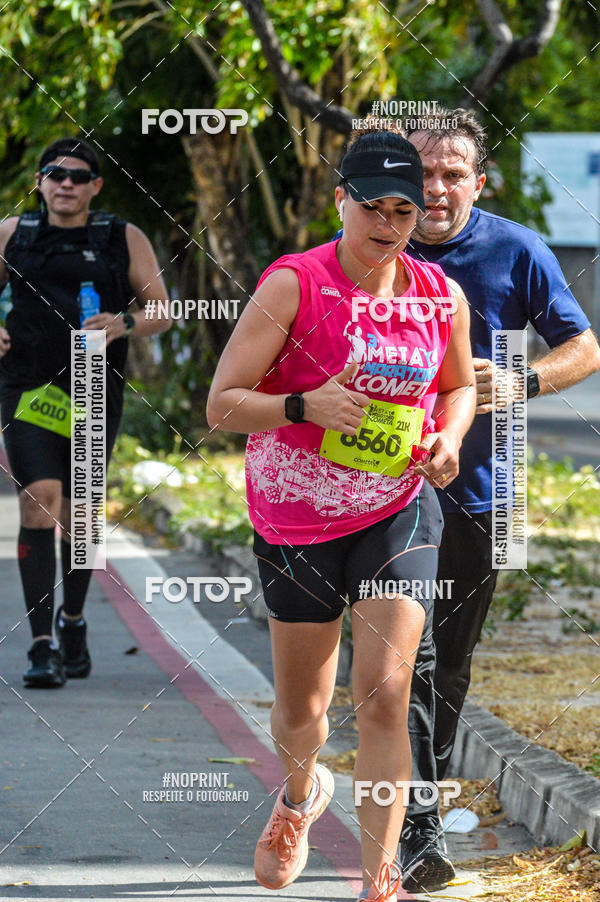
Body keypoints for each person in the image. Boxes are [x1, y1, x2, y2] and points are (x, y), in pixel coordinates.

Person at [207, 128, 476, 900]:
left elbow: (458, 385)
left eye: (405, 211)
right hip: (295, 518)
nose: (389, 226)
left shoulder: (438, 296)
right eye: (374, 209)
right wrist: (303, 403)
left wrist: (449, 437)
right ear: (340, 202)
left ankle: (380, 875)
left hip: (396, 509)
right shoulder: (294, 284)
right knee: (302, 714)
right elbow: (221, 405)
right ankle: (299, 795)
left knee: (387, 693)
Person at [393, 109, 600, 893]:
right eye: (422, 172)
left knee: (448, 659)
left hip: (479, 486)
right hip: (377, 488)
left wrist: (525, 381)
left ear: (479, 181)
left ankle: (425, 805)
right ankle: (410, 819)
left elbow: (584, 344)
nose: (435, 188)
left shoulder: (516, 248)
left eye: (453, 174)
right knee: (398, 659)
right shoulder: (371, 244)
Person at [0, 137, 171, 688]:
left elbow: (163, 310)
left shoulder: (121, 236)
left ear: (95, 186)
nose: (65, 183)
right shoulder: (13, 233)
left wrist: (124, 323)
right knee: (40, 499)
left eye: (78, 176)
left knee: (82, 514)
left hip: (96, 390)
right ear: (41, 181)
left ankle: (73, 620)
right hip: (28, 389)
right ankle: (41, 643)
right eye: (55, 174)